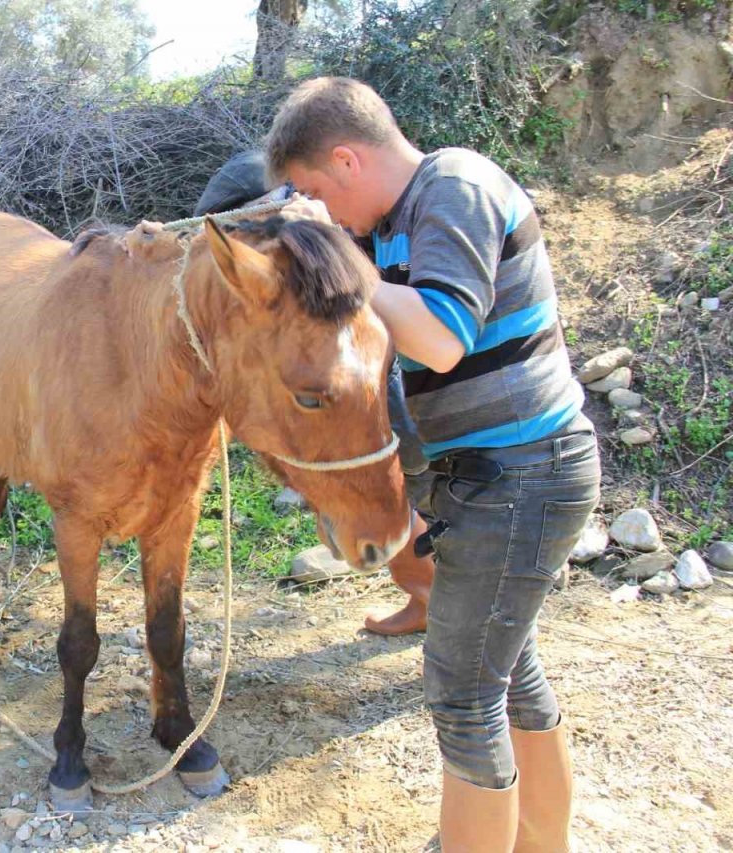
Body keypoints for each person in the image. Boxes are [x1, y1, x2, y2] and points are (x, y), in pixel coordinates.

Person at [266, 77, 600, 852]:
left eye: (319, 191)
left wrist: (349, 266)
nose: (329, 213)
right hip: (499, 474)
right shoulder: (394, 225)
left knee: (462, 691)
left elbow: (441, 336)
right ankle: (537, 842)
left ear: (347, 160)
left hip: (523, 470)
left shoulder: (453, 187)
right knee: (507, 673)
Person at [194, 149, 434, 636]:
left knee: (406, 478)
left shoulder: (326, 242)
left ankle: (431, 596)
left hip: (361, 375)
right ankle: (428, 595)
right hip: (344, 372)